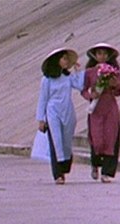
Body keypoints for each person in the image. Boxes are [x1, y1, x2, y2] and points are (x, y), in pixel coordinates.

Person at [35, 48, 84, 184]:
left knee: (66, 141)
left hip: (67, 111)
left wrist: (77, 71)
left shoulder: (68, 77)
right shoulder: (47, 80)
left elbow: (80, 85)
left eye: (67, 59)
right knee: (55, 141)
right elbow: (43, 99)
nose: (66, 61)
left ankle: (65, 166)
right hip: (52, 111)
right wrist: (41, 119)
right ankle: (58, 174)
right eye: (64, 59)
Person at [81, 43, 120, 183]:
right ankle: (95, 163)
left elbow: (119, 91)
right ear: (95, 56)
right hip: (96, 108)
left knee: (111, 137)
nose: (102, 56)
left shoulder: (114, 72)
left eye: (105, 54)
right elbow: (83, 90)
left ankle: (107, 172)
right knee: (97, 137)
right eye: (99, 53)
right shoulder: (89, 72)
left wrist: (114, 84)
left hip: (110, 106)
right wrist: (91, 95)